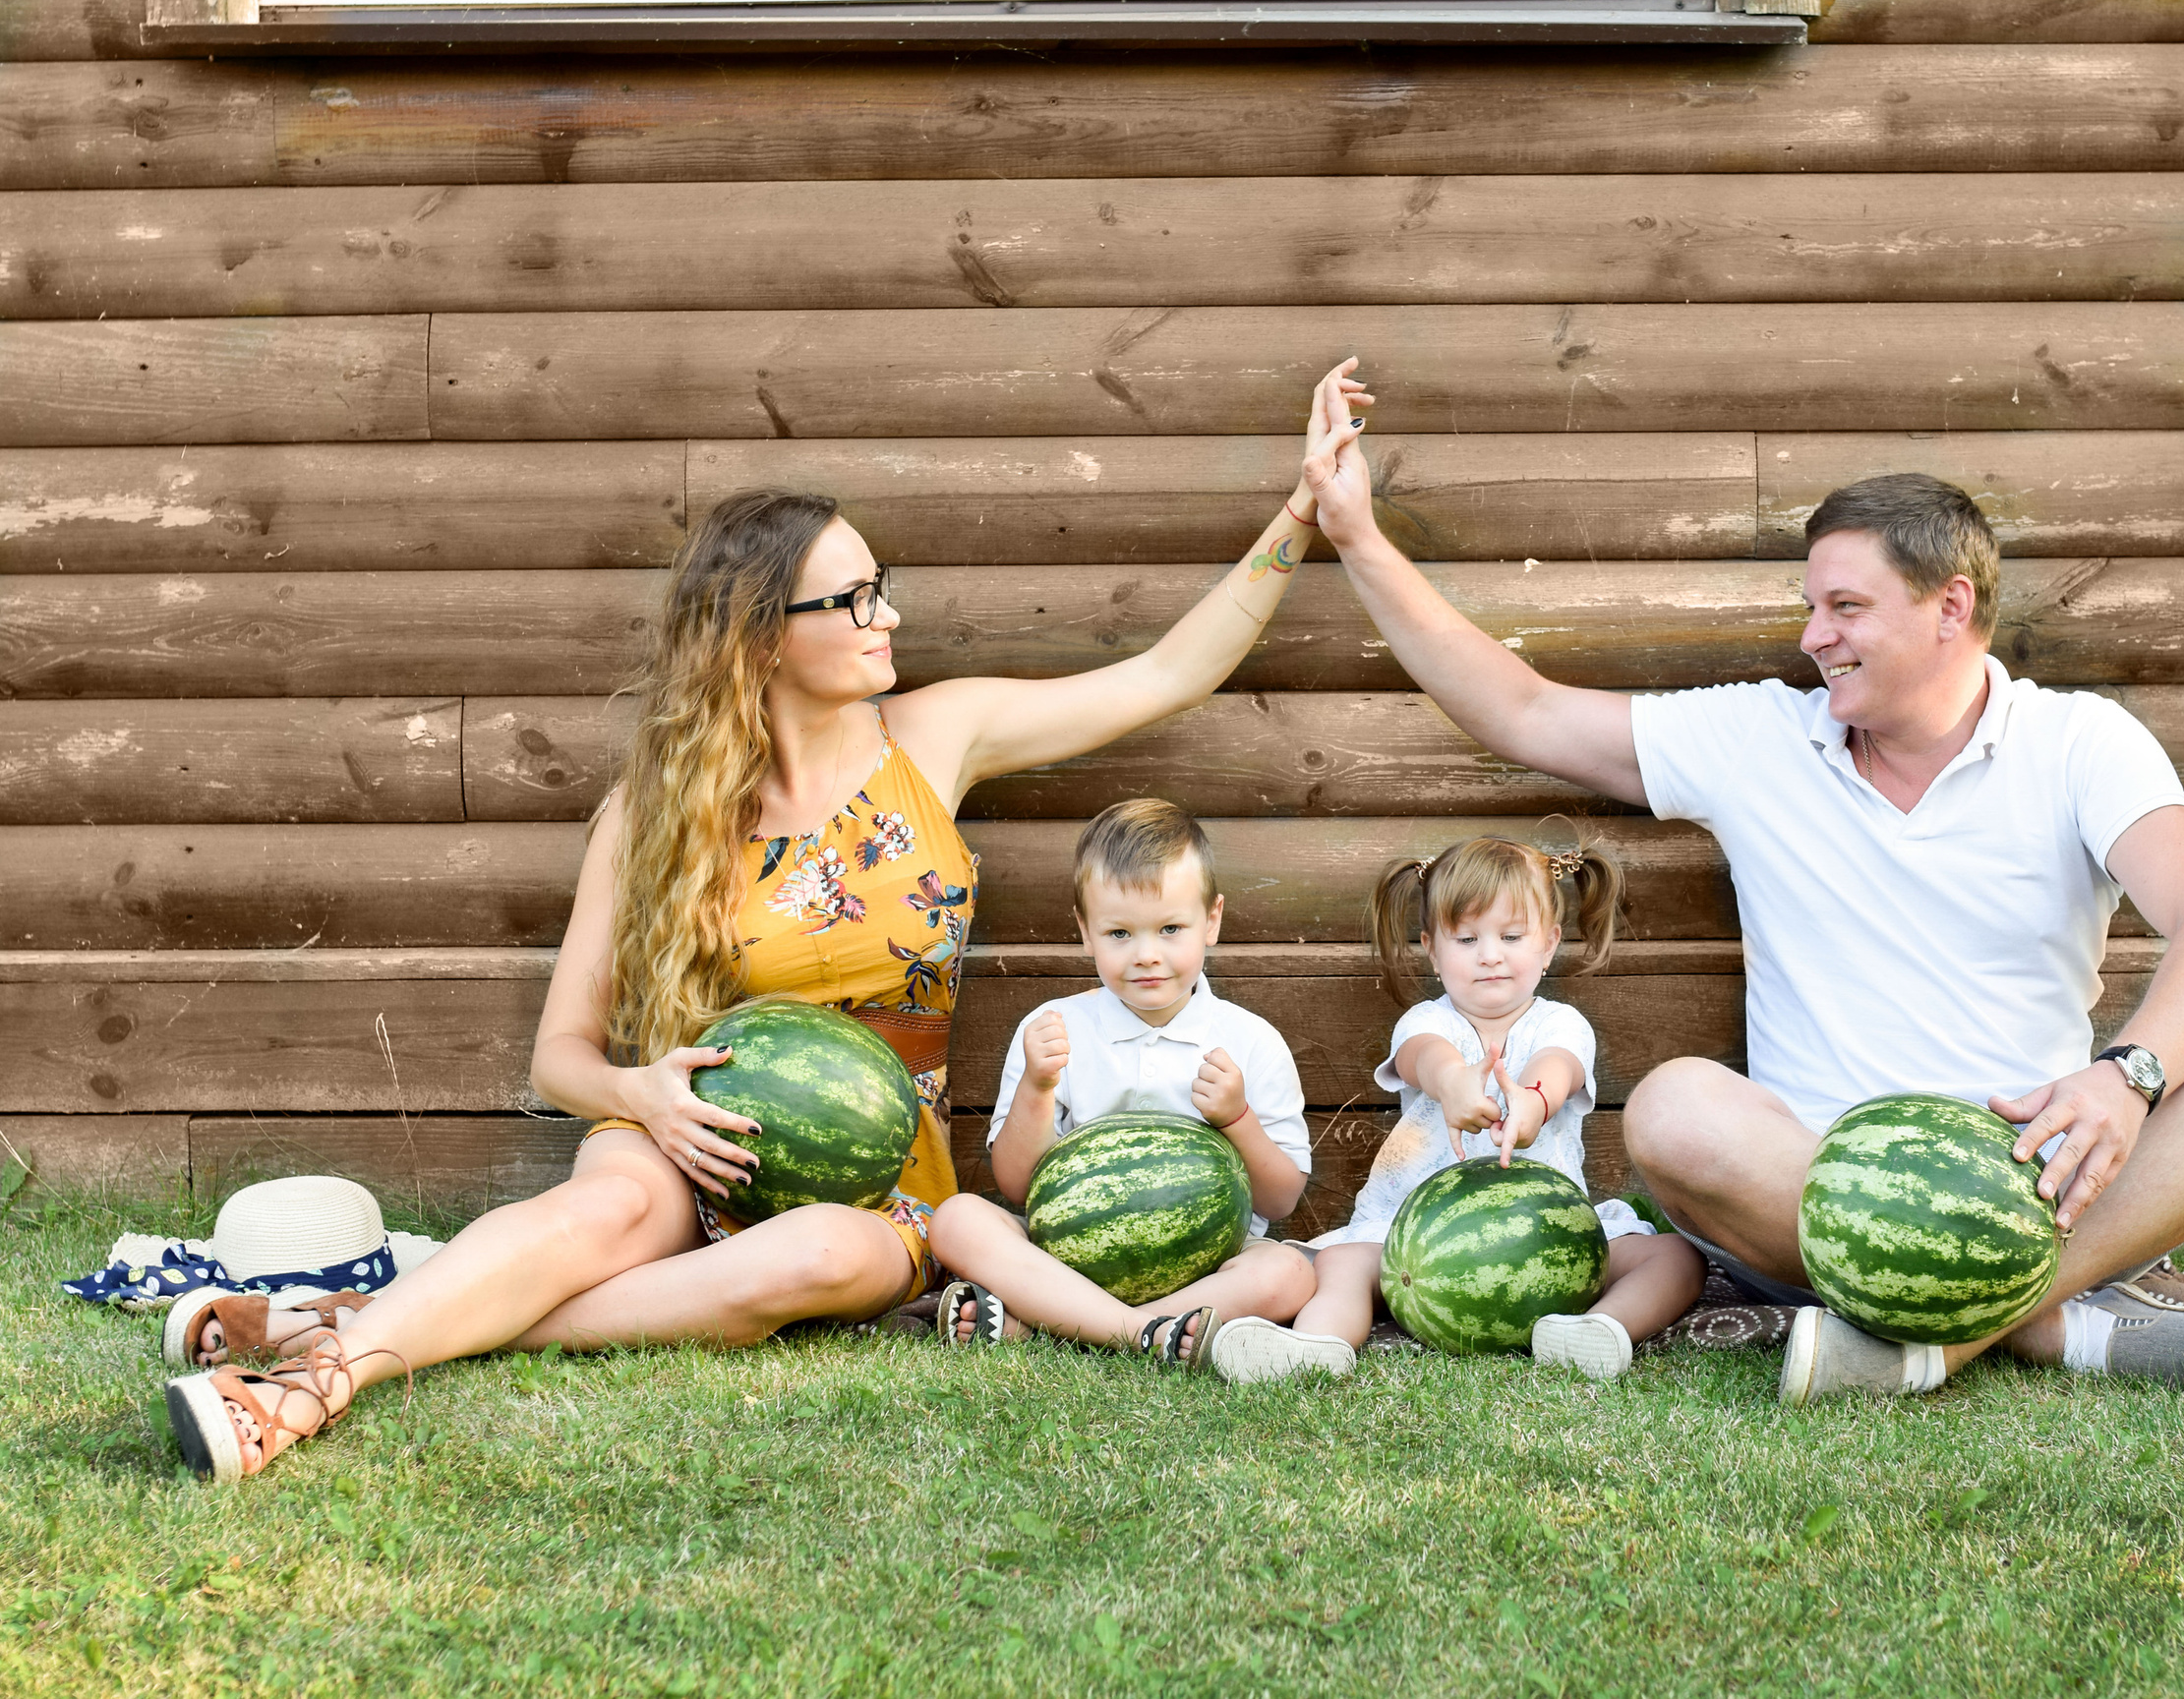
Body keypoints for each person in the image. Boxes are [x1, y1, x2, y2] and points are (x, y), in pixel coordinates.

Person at [158, 364, 1373, 1482]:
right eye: (850, 600)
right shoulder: (653, 813)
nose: (885, 615)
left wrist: (1300, 513)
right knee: (600, 1210)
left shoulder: (935, 740)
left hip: (883, 1181)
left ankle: (380, 1312)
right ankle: (304, 1393)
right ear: (759, 637)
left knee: (814, 1265)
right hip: (691, 1142)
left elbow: (1168, 673)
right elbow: (561, 1057)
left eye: (878, 588)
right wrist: (645, 1100)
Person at [1301, 388, 2184, 1406]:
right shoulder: (1760, 739)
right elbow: (1521, 711)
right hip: (1805, 1192)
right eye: (1810, 607)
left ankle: (1958, 1333)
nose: (1811, 637)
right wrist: (1355, 535)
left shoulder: (2079, 743)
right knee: (1672, 1109)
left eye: (1844, 608)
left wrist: (2124, 1078)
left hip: (2031, 1183)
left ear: (1949, 608)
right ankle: (2042, 1320)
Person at [1223, 835, 1704, 1382]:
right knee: (1341, 1264)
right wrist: (1452, 1083)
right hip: (1411, 1238)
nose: (1490, 954)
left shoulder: (1560, 1024)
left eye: (1512, 936)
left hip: (1545, 1236)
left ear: (1548, 944)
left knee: (1674, 1257)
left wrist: (1533, 1101)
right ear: (1432, 947)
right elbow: (1424, 1059)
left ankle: (1597, 1332)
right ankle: (1316, 1346)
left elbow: (1558, 1065)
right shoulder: (1428, 1023)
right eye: (1468, 938)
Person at [924, 799, 1317, 1377]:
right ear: (1085, 932)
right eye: (1119, 933)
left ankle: (1050, 1324)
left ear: (1212, 919)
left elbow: (1280, 1201)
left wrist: (1238, 1121)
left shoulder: (1250, 1041)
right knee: (958, 1218)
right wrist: (1037, 1086)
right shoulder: (1055, 1029)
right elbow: (1015, 1186)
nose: (1146, 954)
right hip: (1064, 1256)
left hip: (1208, 1264)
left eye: (1170, 928)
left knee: (1290, 1273)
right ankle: (1142, 1334)